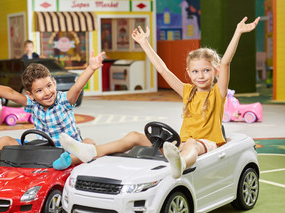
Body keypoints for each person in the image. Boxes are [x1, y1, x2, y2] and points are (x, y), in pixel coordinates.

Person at [58, 16, 260, 179]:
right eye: (196, 71)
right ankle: (90, 152)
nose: (200, 76)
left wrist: (238, 32)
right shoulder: (187, 91)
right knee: (133, 136)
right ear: (189, 73)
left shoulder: (218, 93)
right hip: (180, 144)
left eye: (206, 71)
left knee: (190, 145)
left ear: (214, 72)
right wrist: (144, 43)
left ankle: (180, 164)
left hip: (205, 145)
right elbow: (162, 69)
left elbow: (225, 63)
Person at [0, 50, 105, 170]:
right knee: (5, 140)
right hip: (43, 152)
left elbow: (77, 87)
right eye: (39, 90)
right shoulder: (32, 104)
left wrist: (91, 69)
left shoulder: (64, 101)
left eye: (49, 86)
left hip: (70, 150)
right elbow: (10, 93)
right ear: (30, 95)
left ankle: (68, 160)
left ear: (54, 83)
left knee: (89, 141)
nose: (47, 92)